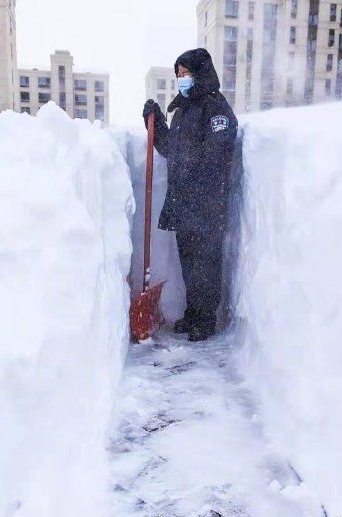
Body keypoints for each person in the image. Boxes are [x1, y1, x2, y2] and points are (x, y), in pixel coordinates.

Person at [142, 48, 238, 342]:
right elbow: (173, 150)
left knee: (206, 264)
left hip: (207, 201)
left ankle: (205, 320)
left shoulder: (215, 108)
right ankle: (193, 314)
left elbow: (218, 151)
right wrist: (156, 121)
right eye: (179, 75)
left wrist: (193, 170)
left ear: (201, 73)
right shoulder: (182, 109)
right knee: (189, 263)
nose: (182, 79)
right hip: (184, 201)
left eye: (186, 73)